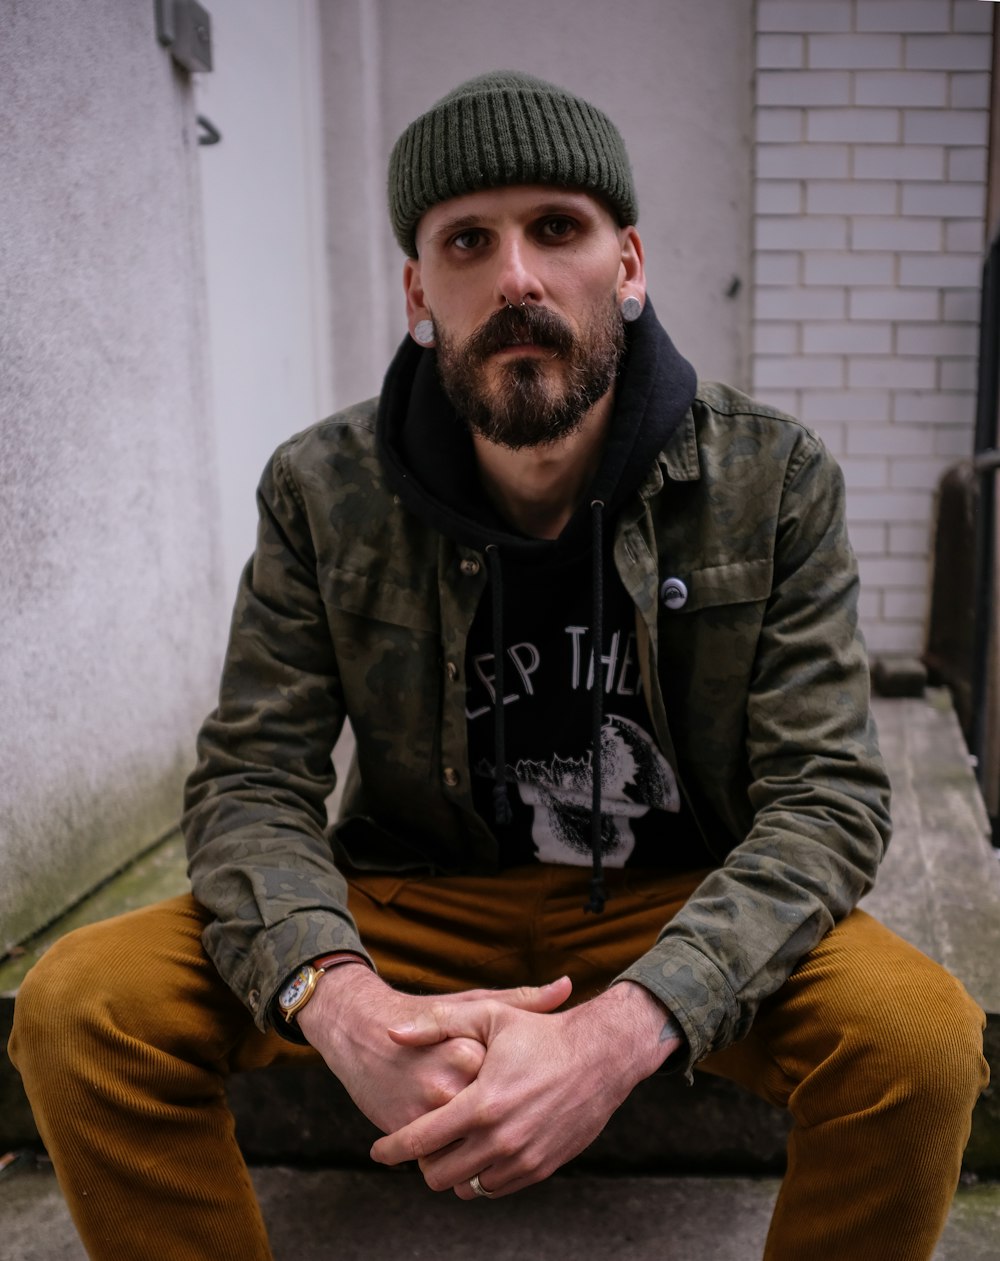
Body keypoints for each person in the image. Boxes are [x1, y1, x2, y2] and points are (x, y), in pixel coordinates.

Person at [10, 70, 988, 1261]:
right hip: (413, 896)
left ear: (626, 267)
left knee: (921, 1042)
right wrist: (337, 995)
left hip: (674, 900)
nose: (517, 277)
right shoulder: (323, 491)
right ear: (421, 291)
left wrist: (626, 1028)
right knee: (78, 1005)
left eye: (557, 230)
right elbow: (251, 781)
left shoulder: (769, 479)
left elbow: (826, 802)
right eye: (469, 240)